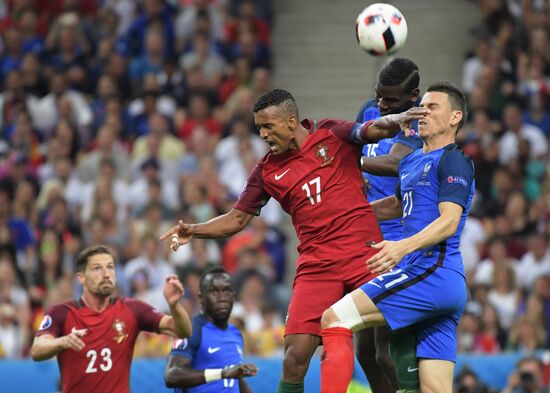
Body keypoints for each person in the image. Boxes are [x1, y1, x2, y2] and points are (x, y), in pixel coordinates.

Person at [161, 88, 427, 393]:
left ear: (291, 121)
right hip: (317, 266)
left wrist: (398, 118)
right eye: (259, 127)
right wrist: (193, 230)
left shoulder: (332, 134)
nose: (262, 134)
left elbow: (375, 129)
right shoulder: (266, 171)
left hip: (364, 256)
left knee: (389, 346)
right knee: (295, 358)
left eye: (268, 126)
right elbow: (236, 219)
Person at [319, 81, 475, 393]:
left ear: (455, 117)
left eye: (432, 107)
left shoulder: (454, 160)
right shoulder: (412, 160)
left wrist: (401, 247)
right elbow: (395, 205)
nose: (423, 112)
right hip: (438, 286)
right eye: (422, 107)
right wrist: (341, 216)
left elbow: (449, 221)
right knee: (433, 389)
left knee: (333, 318)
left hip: (430, 273)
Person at [30, 245, 193, 393]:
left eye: (110, 267)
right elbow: (37, 350)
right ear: (81, 278)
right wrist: (63, 342)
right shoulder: (61, 313)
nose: (106, 274)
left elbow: (183, 330)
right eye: (97, 269)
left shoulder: (132, 309)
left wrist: (174, 306)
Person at [357, 58, 423, 393]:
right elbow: (354, 141)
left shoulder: (419, 122)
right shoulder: (369, 110)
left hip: (396, 242)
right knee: (365, 353)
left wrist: (354, 161)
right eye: (379, 96)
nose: (382, 105)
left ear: (414, 96)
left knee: (386, 352)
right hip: (364, 240)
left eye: (392, 100)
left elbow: (396, 163)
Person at [164, 266, 258, 392]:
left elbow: (234, 379)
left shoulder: (235, 334)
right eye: (214, 292)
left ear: (234, 296)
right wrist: (222, 373)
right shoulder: (191, 330)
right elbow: (171, 375)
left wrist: (233, 373)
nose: (222, 298)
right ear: (201, 298)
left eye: (227, 291)